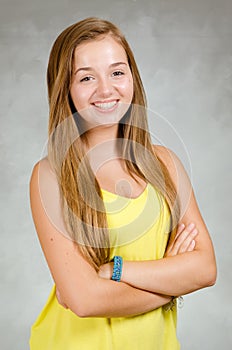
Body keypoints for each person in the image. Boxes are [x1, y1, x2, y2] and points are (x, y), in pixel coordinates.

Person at [29, 17, 217, 350]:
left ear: (132, 77)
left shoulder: (164, 164)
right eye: (86, 78)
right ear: (66, 90)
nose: (106, 90)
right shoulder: (50, 175)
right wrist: (171, 281)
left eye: (117, 72)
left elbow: (204, 268)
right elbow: (85, 300)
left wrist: (115, 270)